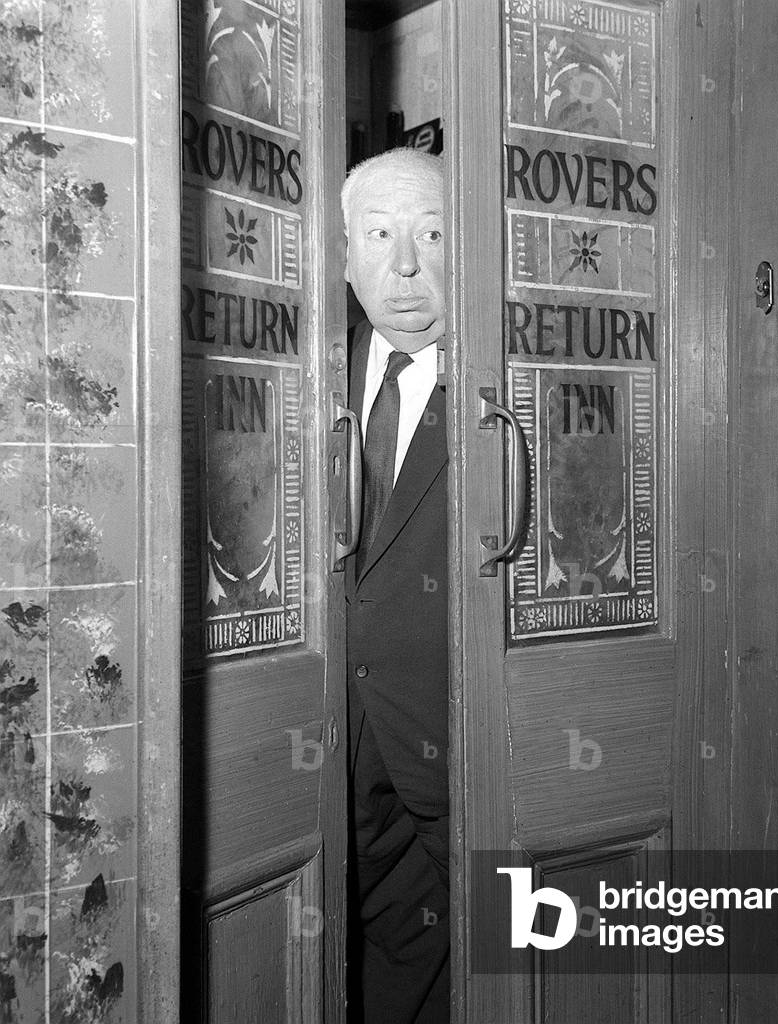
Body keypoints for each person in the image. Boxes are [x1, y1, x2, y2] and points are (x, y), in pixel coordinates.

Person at [341, 148, 450, 1024]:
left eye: (431, 233)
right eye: (379, 235)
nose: (404, 265)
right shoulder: (297, 376)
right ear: (345, 255)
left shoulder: (513, 383)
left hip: (455, 767)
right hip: (325, 762)